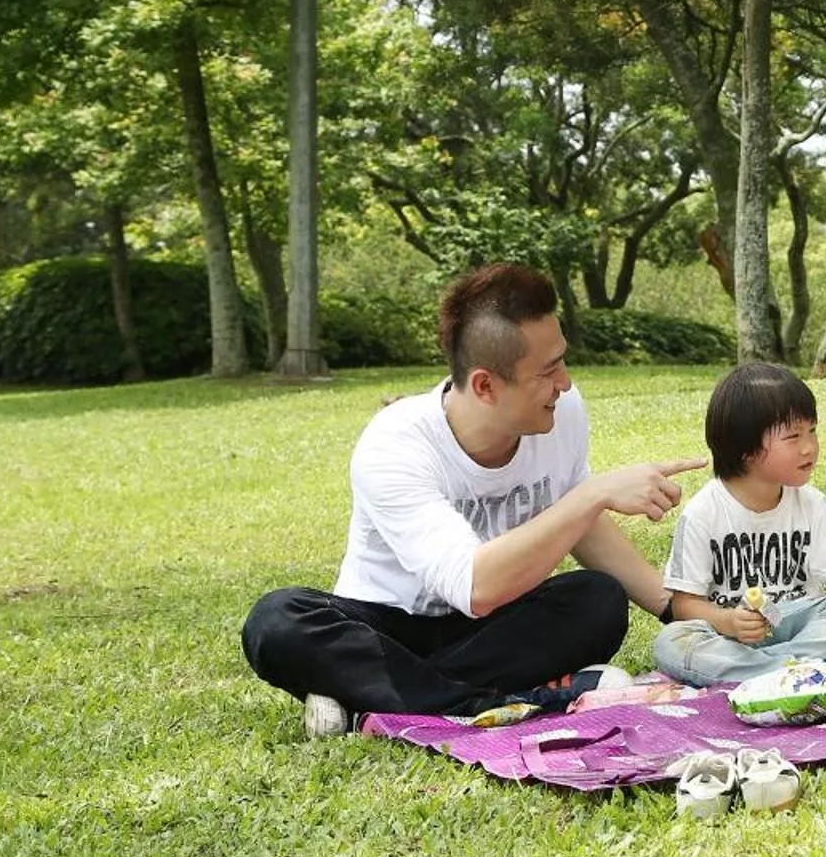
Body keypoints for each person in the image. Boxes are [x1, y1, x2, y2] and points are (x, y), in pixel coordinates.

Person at [240, 263, 702, 736]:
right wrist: (595, 493)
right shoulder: (396, 443)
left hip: (483, 632)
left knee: (598, 599)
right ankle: (502, 701)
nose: (564, 383)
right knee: (277, 621)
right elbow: (477, 588)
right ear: (485, 385)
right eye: (548, 371)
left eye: (561, 361)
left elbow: (580, 525)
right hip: (386, 627)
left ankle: (376, 700)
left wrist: (676, 608)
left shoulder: (563, 413)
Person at [650, 363, 826, 687]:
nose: (810, 447)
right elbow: (683, 606)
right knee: (672, 642)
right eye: (793, 436)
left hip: (800, 624)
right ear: (747, 450)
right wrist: (729, 622)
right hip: (734, 638)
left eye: (812, 431)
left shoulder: (812, 504)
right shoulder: (703, 513)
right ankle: (800, 669)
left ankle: (777, 671)